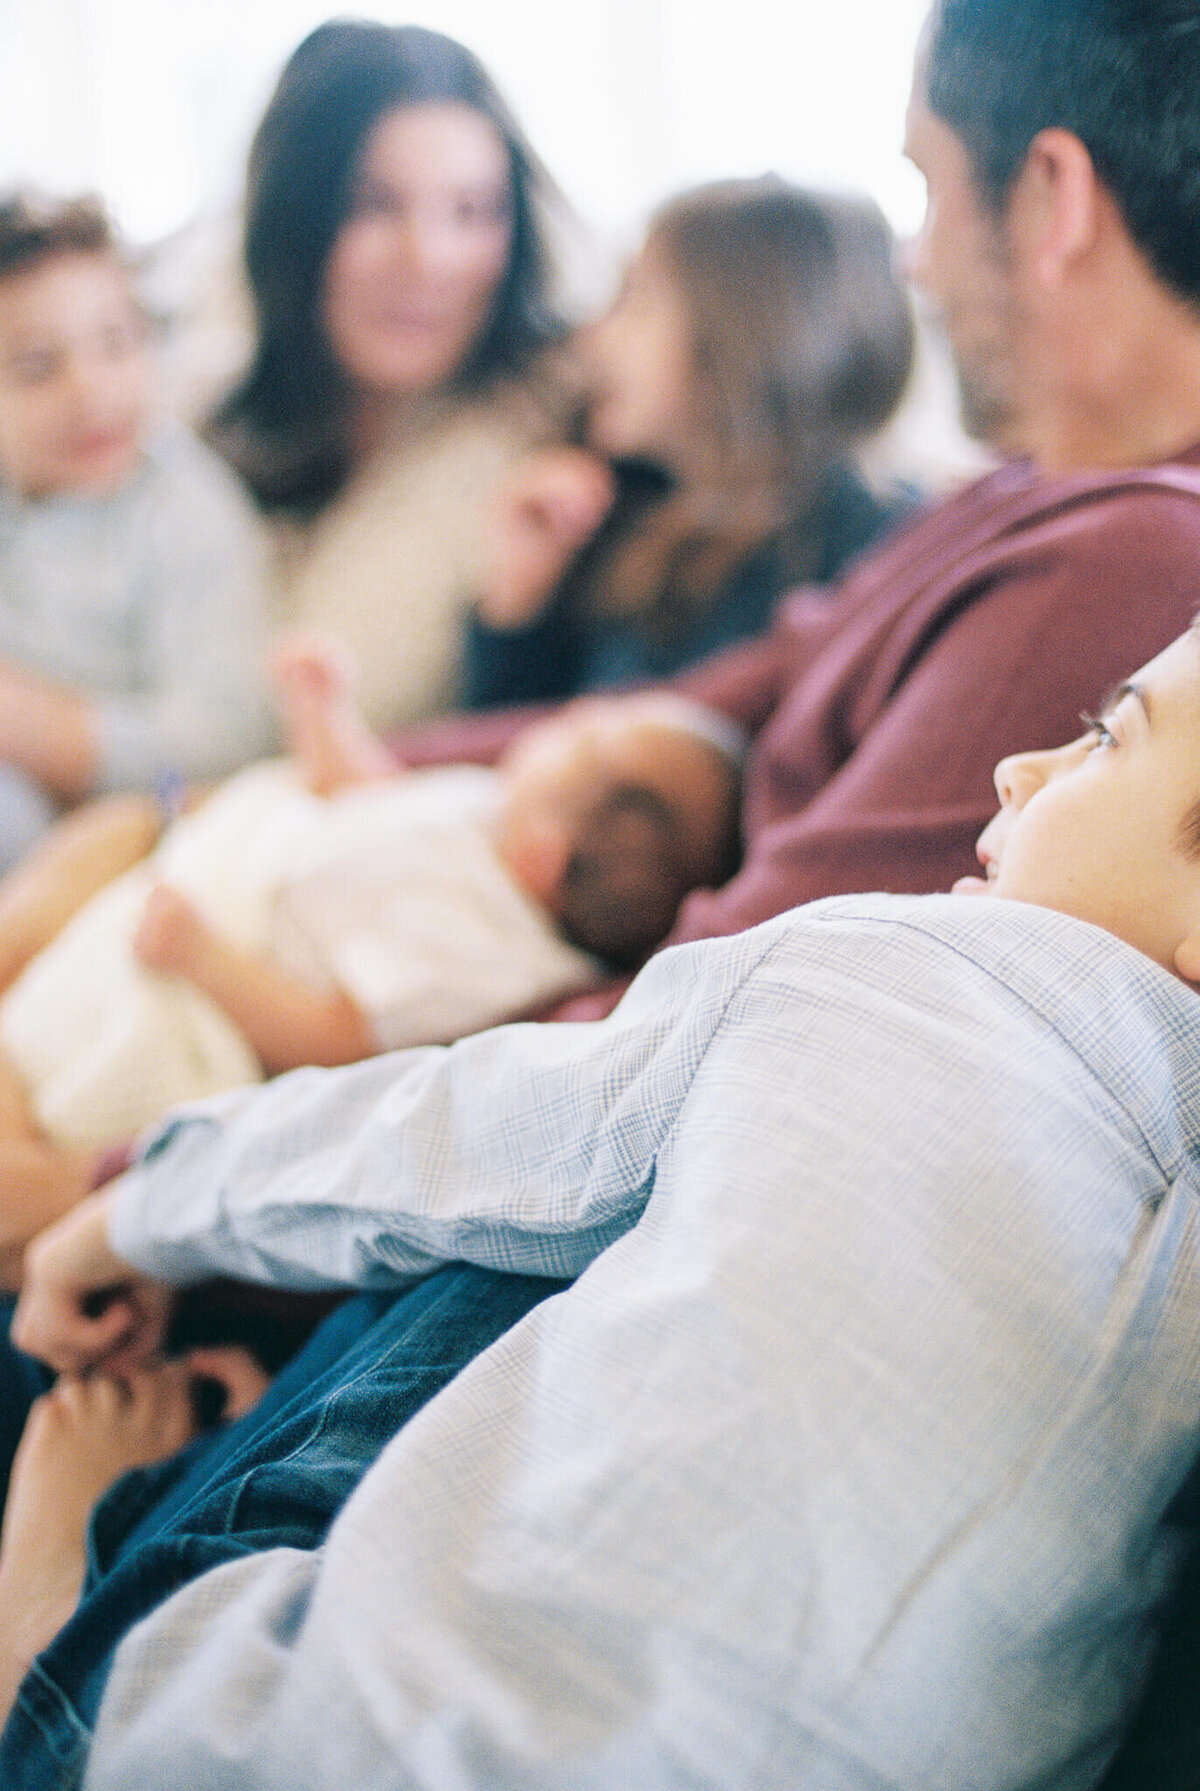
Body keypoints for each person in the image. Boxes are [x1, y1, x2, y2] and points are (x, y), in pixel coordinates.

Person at [4, 614, 1200, 1788]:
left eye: (1106, 738)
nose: (1019, 766)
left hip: (328, 1740)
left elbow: (438, 1134)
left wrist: (127, 1214)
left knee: (118, 1623)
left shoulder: (887, 974)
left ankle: (40, 1636)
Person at [394, 0, 1200, 1028]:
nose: (915, 264)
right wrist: (358, 771)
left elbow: (698, 1025)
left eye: (928, 187)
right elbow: (719, 692)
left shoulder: (1120, 562)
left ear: (1054, 200)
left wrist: (257, 1106)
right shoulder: (1027, 489)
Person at [0, 644, 739, 1271]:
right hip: (215, 879)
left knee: (65, 1043)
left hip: (216, 989)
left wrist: (204, 960)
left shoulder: (484, 944)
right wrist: (323, 711)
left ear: (544, 858)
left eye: (586, 736)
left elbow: (343, 1032)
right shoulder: (489, 811)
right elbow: (372, 795)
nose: (573, 712)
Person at [204, 18, 580, 731]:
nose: (428, 258)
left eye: (473, 211)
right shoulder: (191, 425)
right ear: (293, 220)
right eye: (372, 205)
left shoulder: (554, 442)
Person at [462, 177, 918, 705]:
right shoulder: (636, 513)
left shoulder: (860, 544)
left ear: (740, 333)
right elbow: (523, 749)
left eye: (635, 303)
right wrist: (520, 596)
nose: (595, 337)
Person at [0, 192, 271, 870]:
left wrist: (48, 732)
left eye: (116, 344)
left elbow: (231, 737)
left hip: (139, 826)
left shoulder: (187, 513)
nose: (90, 390)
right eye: (37, 367)